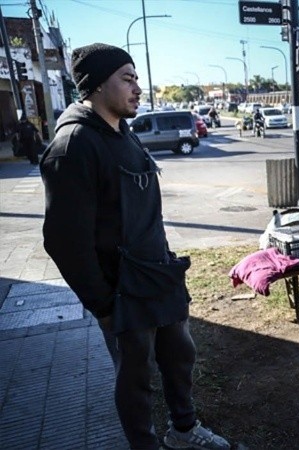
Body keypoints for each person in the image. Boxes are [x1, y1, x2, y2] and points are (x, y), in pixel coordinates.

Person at [39, 43, 230, 450]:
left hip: (158, 275)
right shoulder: (73, 146)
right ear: (95, 85)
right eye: (127, 79)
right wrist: (103, 305)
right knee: (136, 378)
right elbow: (62, 240)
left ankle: (183, 431)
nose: (138, 88)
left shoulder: (123, 133)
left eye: (137, 78)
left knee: (180, 357)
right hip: (122, 289)